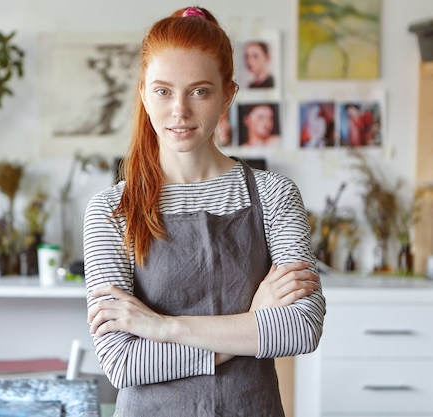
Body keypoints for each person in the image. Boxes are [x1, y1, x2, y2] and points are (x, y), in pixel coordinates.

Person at [83, 6, 325, 416]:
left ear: (227, 94)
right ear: (143, 92)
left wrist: (162, 328)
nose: (179, 110)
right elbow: (122, 363)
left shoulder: (274, 195)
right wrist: (250, 324)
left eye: (199, 91)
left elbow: (300, 329)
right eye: (163, 91)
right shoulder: (111, 209)